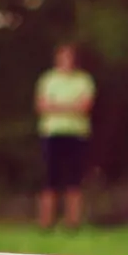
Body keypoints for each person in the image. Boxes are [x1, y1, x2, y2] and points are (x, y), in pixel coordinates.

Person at [35, 42, 95, 229]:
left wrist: (57, 106)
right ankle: (46, 223)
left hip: (76, 135)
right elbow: (42, 106)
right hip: (52, 134)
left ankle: (72, 223)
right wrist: (70, 106)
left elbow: (84, 107)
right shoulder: (48, 79)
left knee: (74, 180)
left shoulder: (84, 80)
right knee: (50, 179)